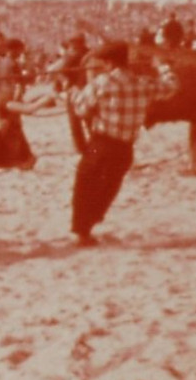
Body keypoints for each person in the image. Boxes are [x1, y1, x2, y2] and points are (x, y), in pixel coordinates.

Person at [67, 41, 179, 246]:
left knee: (84, 183)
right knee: (109, 187)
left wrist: (74, 94)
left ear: (109, 64)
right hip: (125, 147)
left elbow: (81, 109)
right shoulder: (142, 83)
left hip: (100, 142)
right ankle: (91, 222)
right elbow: (170, 88)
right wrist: (163, 67)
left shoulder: (102, 82)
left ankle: (82, 230)